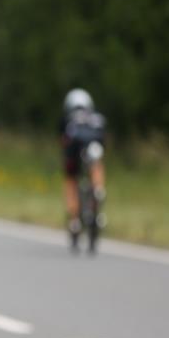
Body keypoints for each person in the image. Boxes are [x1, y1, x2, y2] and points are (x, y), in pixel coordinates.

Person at [60, 88, 106, 240]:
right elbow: (103, 139)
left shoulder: (68, 118)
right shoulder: (96, 117)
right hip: (93, 149)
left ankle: (74, 220)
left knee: (71, 180)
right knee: (97, 164)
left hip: (74, 153)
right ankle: (98, 188)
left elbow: (63, 141)